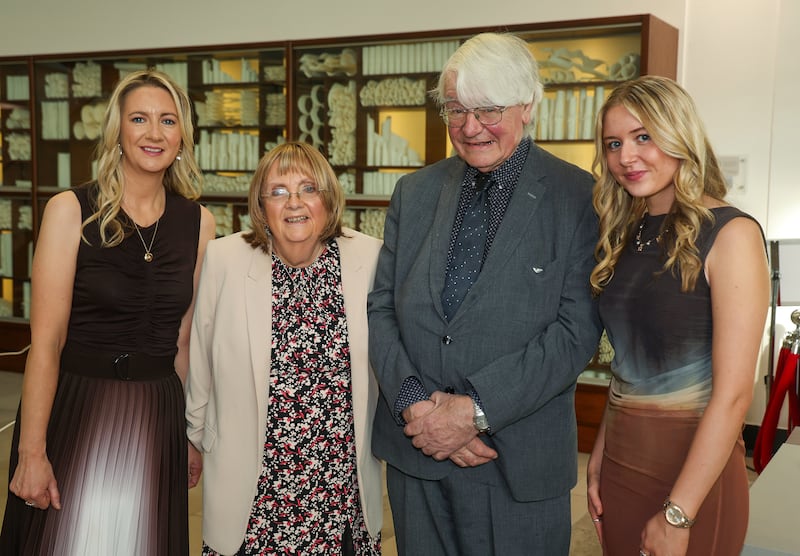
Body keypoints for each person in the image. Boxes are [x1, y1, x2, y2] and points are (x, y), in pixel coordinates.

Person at [368, 32, 603, 555]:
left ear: (527, 106)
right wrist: (415, 407)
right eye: (456, 109)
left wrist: (470, 412)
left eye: (488, 110)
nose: (470, 128)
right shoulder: (415, 191)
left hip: (517, 466)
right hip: (418, 458)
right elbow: (381, 307)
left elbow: (574, 333)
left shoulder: (579, 198)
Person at [0, 69, 215, 555]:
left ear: (183, 135)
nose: (154, 133)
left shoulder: (199, 223)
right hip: (78, 407)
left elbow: (184, 343)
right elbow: (47, 343)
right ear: (117, 130)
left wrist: (189, 434)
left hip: (157, 413)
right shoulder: (69, 210)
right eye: (139, 119)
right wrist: (32, 451)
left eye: (168, 120)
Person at [586, 75, 769, 556]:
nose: (626, 156)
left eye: (643, 136)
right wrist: (600, 458)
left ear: (679, 134)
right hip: (622, 466)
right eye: (613, 143)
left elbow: (734, 395)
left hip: (692, 482)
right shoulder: (627, 235)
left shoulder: (731, 234)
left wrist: (678, 513)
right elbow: (631, 365)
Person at [185, 141, 384, 555]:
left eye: (308, 189)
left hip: (338, 488)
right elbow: (201, 354)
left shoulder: (369, 257)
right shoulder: (225, 258)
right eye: (277, 191)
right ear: (261, 207)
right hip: (253, 487)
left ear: (328, 200)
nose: (294, 203)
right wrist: (193, 434)